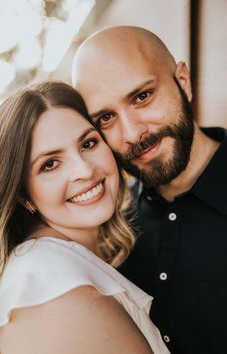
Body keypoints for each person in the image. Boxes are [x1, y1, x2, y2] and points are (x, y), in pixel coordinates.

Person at [71, 26, 227, 354]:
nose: (132, 133)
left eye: (142, 96)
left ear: (182, 82)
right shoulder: (111, 229)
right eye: (106, 118)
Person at [0, 81, 170, 354]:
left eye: (88, 143)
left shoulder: (69, 263)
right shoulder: (49, 287)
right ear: (21, 195)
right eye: (50, 164)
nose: (84, 170)